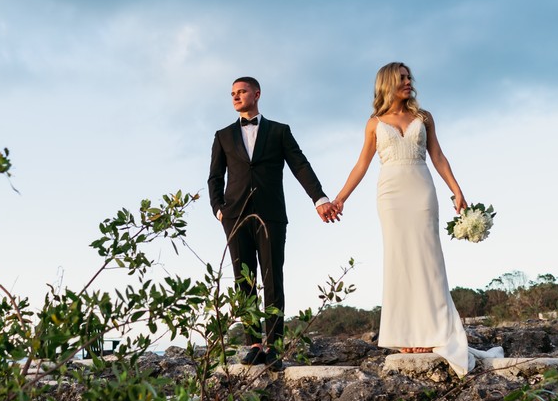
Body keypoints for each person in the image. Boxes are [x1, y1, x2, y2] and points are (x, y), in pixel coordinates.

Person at [332, 63, 497, 376]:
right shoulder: (374, 123)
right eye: (402, 78)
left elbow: (438, 156)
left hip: (421, 190)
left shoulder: (424, 118)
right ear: (388, 83)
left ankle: (430, 333)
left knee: (428, 258)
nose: (409, 82)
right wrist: (340, 199)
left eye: (409, 77)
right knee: (399, 259)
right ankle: (405, 336)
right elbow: (361, 165)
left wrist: (457, 190)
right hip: (390, 195)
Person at [208, 76, 340, 370]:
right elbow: (215, 177)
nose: (236, 96)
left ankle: (274, 346)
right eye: (232, 93)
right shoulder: (223, 135)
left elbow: (300, 165)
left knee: (272, 278)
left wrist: (319, 198)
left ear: (256, 94)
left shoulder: (280, 131)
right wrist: (218, 209)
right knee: (244, 280)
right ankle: (254, 344)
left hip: (271, 215)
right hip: (235, 216)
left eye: (242, 91)